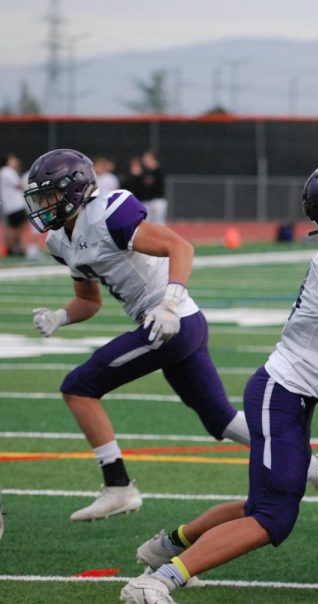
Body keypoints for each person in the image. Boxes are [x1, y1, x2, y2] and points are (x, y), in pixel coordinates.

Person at [120, 157, 318, 604]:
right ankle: (159, 580)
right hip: (283, 396)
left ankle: (168, 545)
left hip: (288, 395)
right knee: (273, 517)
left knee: (265, 503)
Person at [24, 148, 250, 522]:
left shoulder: (108, 213)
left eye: (49, 194)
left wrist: (170, 302)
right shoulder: (59, 241)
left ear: (74, 189)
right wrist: (60, 317)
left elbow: (180, 246)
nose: (44, 204)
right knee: (221, 420)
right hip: (173, 325)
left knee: (78, 387)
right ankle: (313, 470)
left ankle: (118, 487)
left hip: (172, 322)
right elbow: (88, 300)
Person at [1, 152, 29, 257]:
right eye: (12, 160)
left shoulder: (7, 172)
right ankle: (12, 248)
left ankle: (13, 247)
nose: (15, 161)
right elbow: (20, 185)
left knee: (14, 227)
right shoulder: (7, 171)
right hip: (15, 205)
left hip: (12, 205)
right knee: (16, 227)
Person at [140, 151, 167, 224]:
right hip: (147, 202)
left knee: (158, 224)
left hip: (156, 201)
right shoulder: (144, 172)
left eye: (146, 158)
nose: (144, 160)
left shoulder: (159, 171)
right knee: (147, 224)